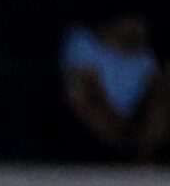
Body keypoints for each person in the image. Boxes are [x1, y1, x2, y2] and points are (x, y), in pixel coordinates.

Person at [62, 9, 170, 163]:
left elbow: (154, 98)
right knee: (78, 89)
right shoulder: (84, 42)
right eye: (134, 24)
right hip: (96, 126)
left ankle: (141, 159)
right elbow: (85, 90)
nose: (140, 30)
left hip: (132, 128)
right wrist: (118, 127)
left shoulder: (146, 60)